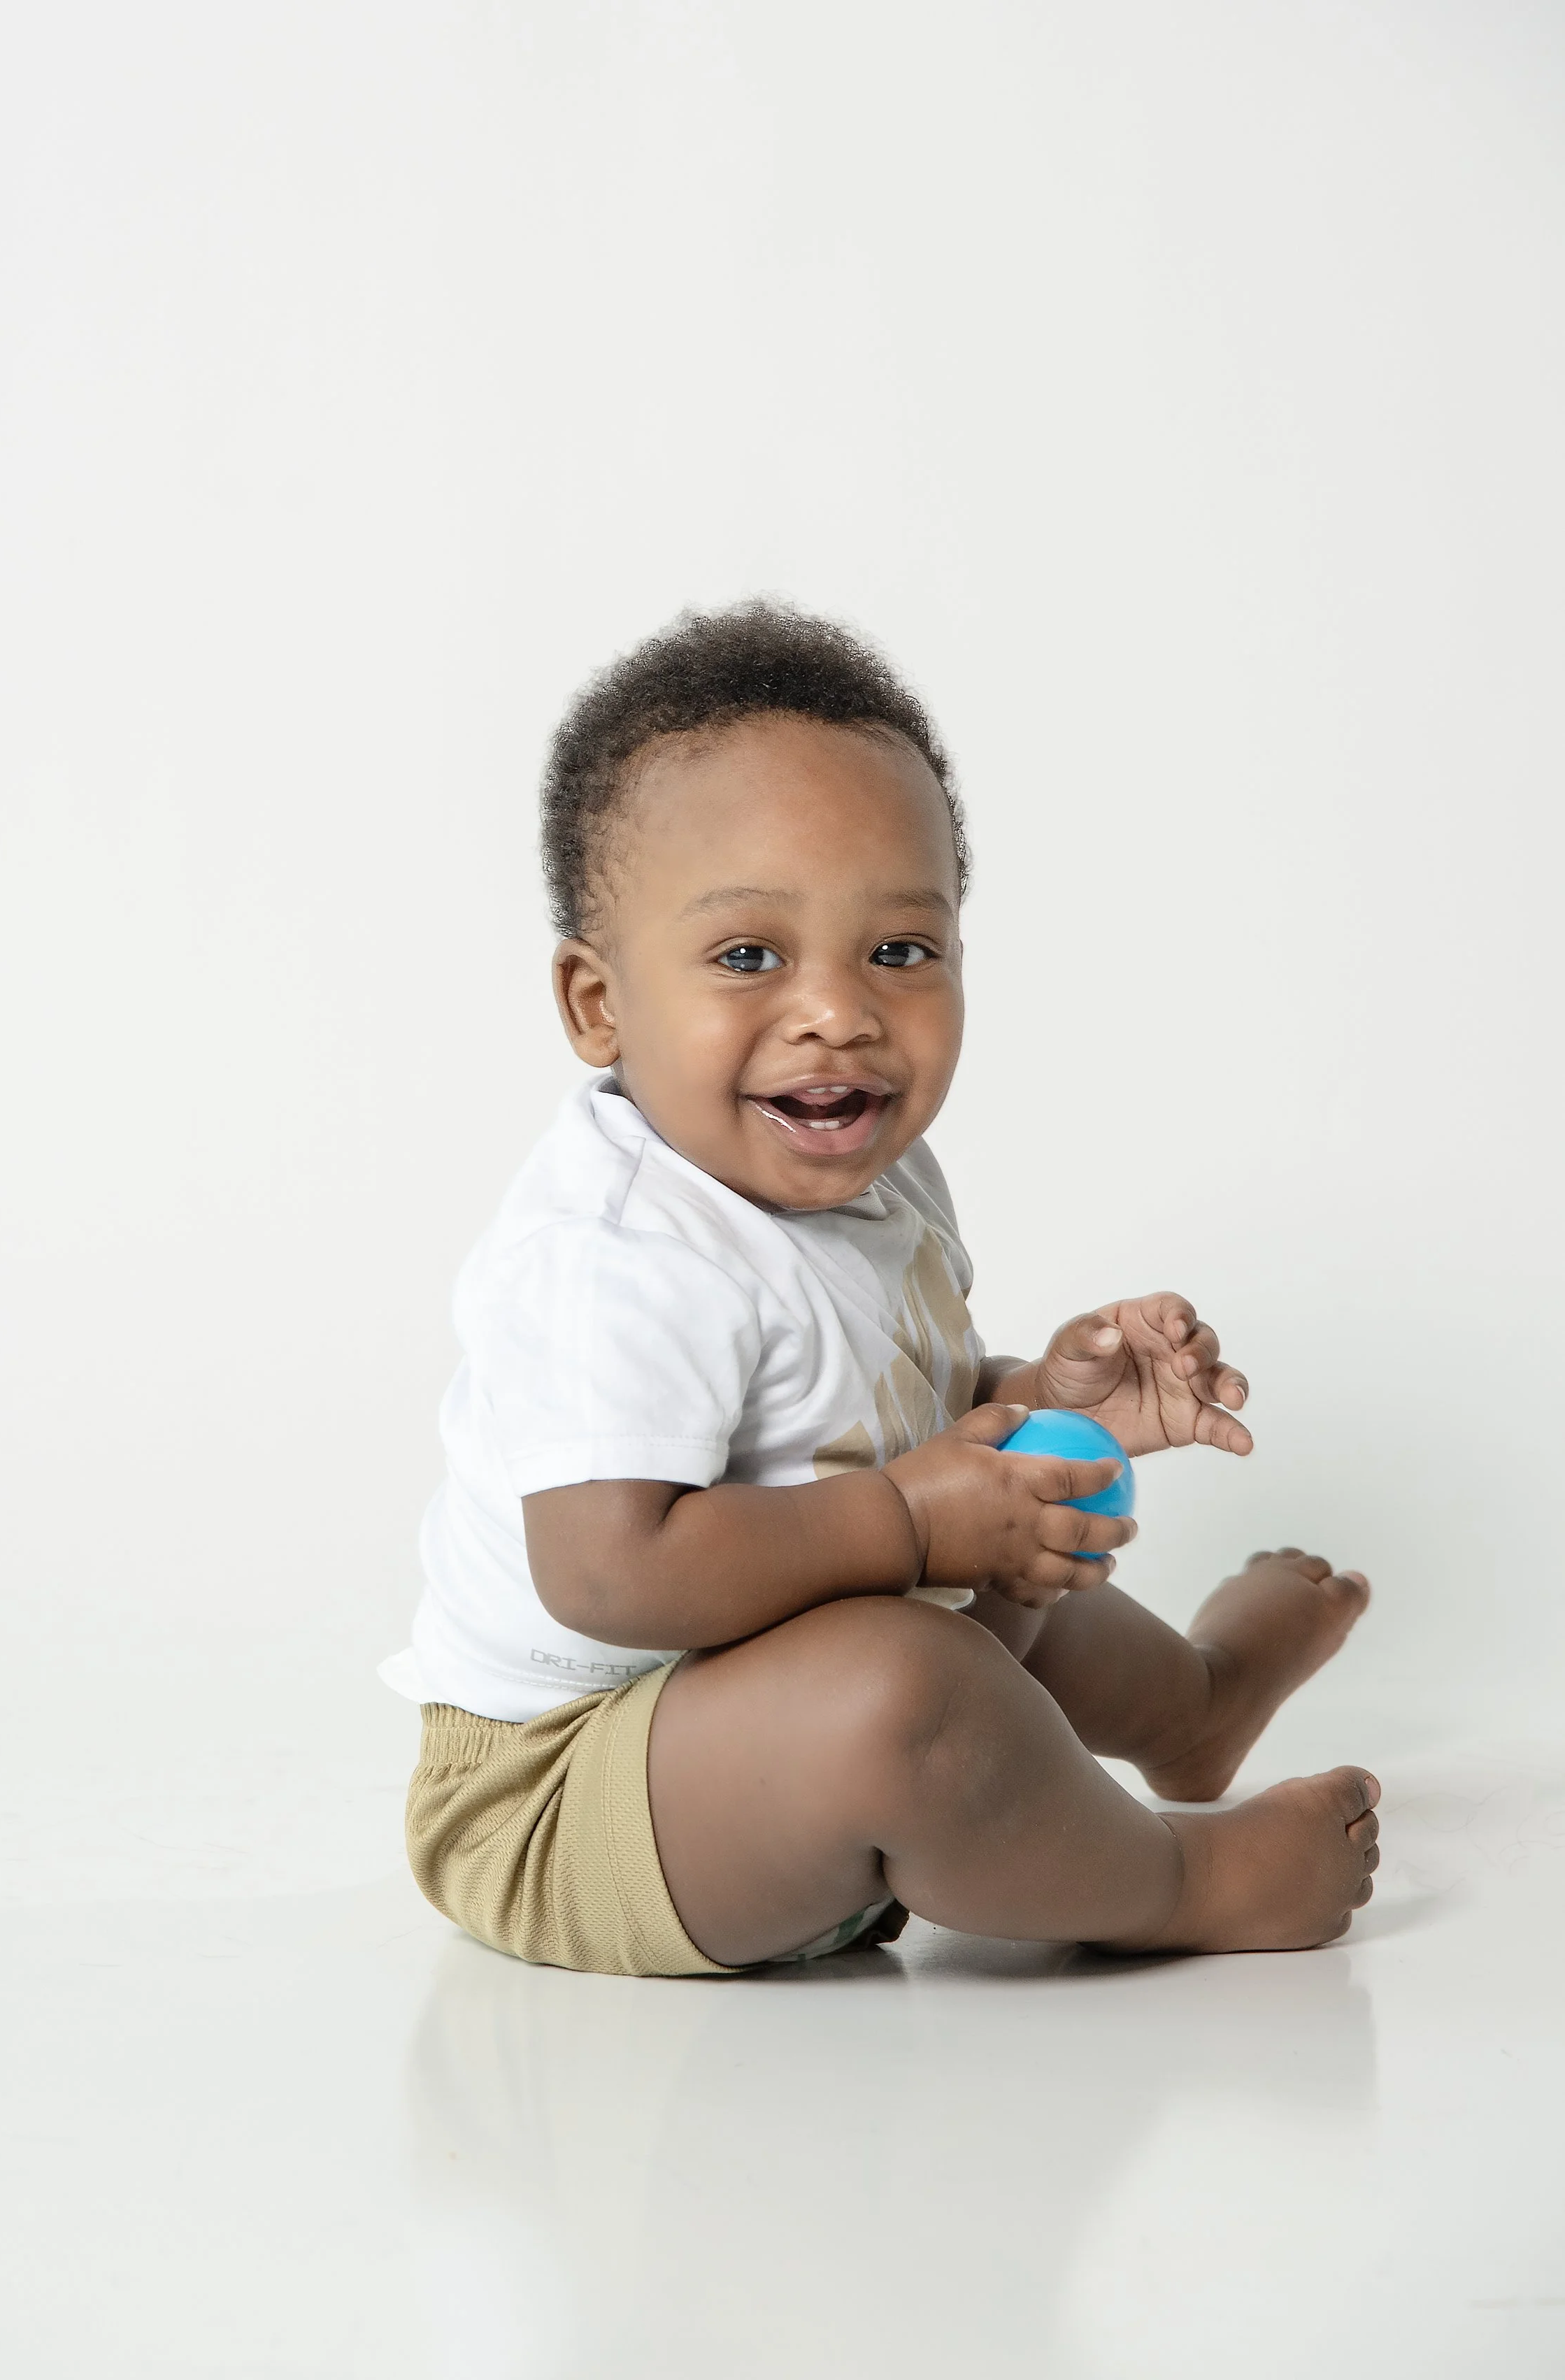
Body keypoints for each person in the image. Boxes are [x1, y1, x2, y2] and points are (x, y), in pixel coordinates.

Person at [390, 603, 1379, 1977]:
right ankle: (1175, 1882)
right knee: (911, 1666)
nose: (838, 1011)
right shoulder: (613, 1254)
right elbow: (608, 1565)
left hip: (778, 1729)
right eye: (748, 955)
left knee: (1018, 1521)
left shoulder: (878, 1179)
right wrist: (909, 1523)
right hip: (571, 1793)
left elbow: (877, 1422)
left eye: (897, 951)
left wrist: (1036, 1397)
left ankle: (1192, 1710)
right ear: (597, 1004)